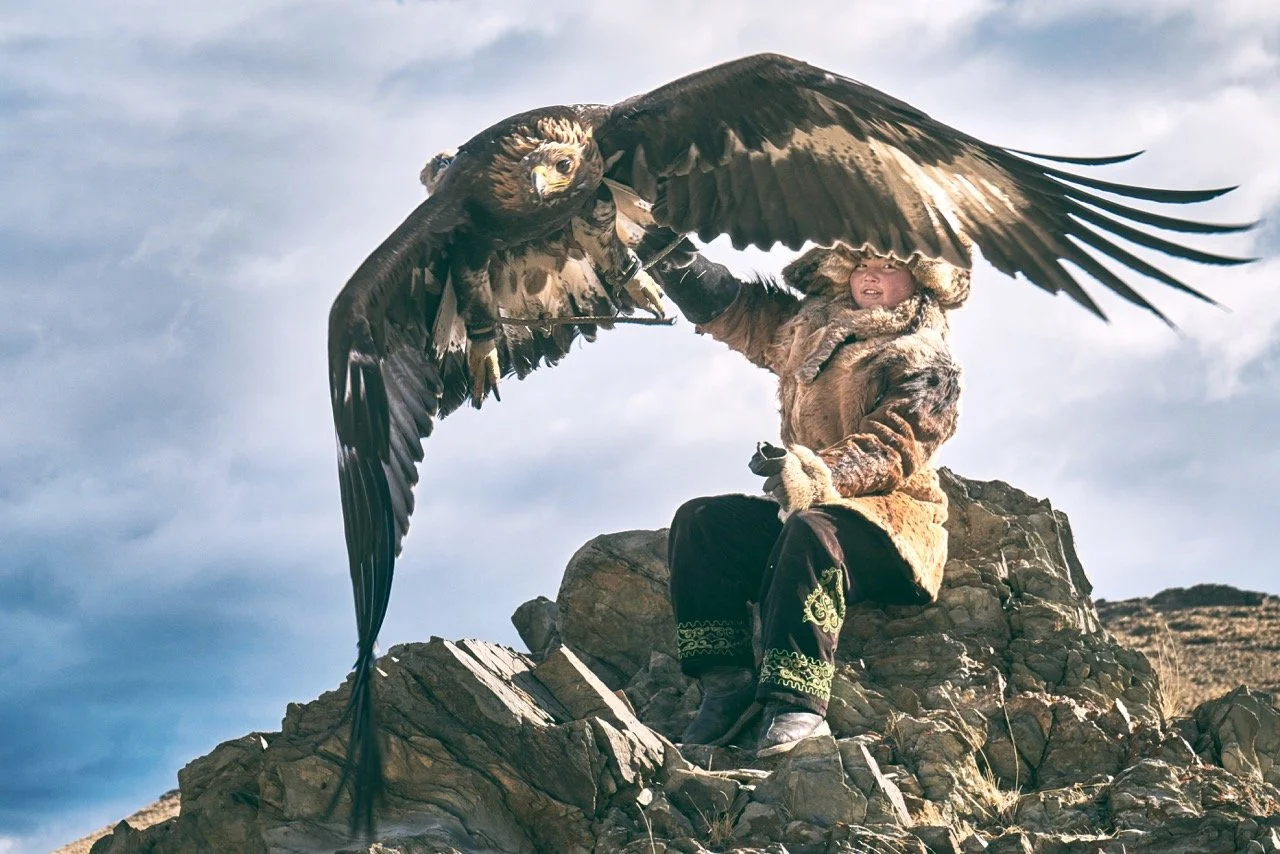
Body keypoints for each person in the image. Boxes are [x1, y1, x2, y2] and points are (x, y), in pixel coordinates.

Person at [648, 238, 969, 756]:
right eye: (862, 265)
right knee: (702, 521)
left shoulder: (925, 357)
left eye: (888, 267)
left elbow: (895, 445)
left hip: (892, 527)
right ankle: (726, 686)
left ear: (921, 279)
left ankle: (797, 703)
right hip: (809, 512)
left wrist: (814, 474)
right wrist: (666, 256)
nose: (870, 278)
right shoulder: (812, 330)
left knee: (811, 529)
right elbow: (738, 313)